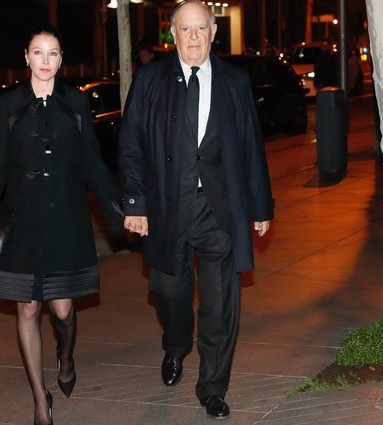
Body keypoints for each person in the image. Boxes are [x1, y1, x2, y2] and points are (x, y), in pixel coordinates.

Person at [119, 0, 274, 420]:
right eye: (184, 29)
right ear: (173, 34)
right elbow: (131, 145)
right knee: (170, 293)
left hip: (219, 209)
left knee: (220, 303)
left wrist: (260, 206)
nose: (193, 37)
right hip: (168, 208)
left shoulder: (234, 82)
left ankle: (212, 387)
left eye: (200, 29)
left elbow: (249, 146)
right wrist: (136, 203)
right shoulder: (151, 80)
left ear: (213, 33)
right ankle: (175, 343)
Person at [0, 24, 123, 425]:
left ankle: (66, 356)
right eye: (38, 52)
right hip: (22, 223)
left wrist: (121, 210)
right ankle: (40, 400)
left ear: (61, 60)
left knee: (64, 310)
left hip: (67, 220)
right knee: (26, 309)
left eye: (53, 53)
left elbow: (93, 163)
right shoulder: (9, 105)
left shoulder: (75, 103)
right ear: (26, 57)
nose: (45, 61)